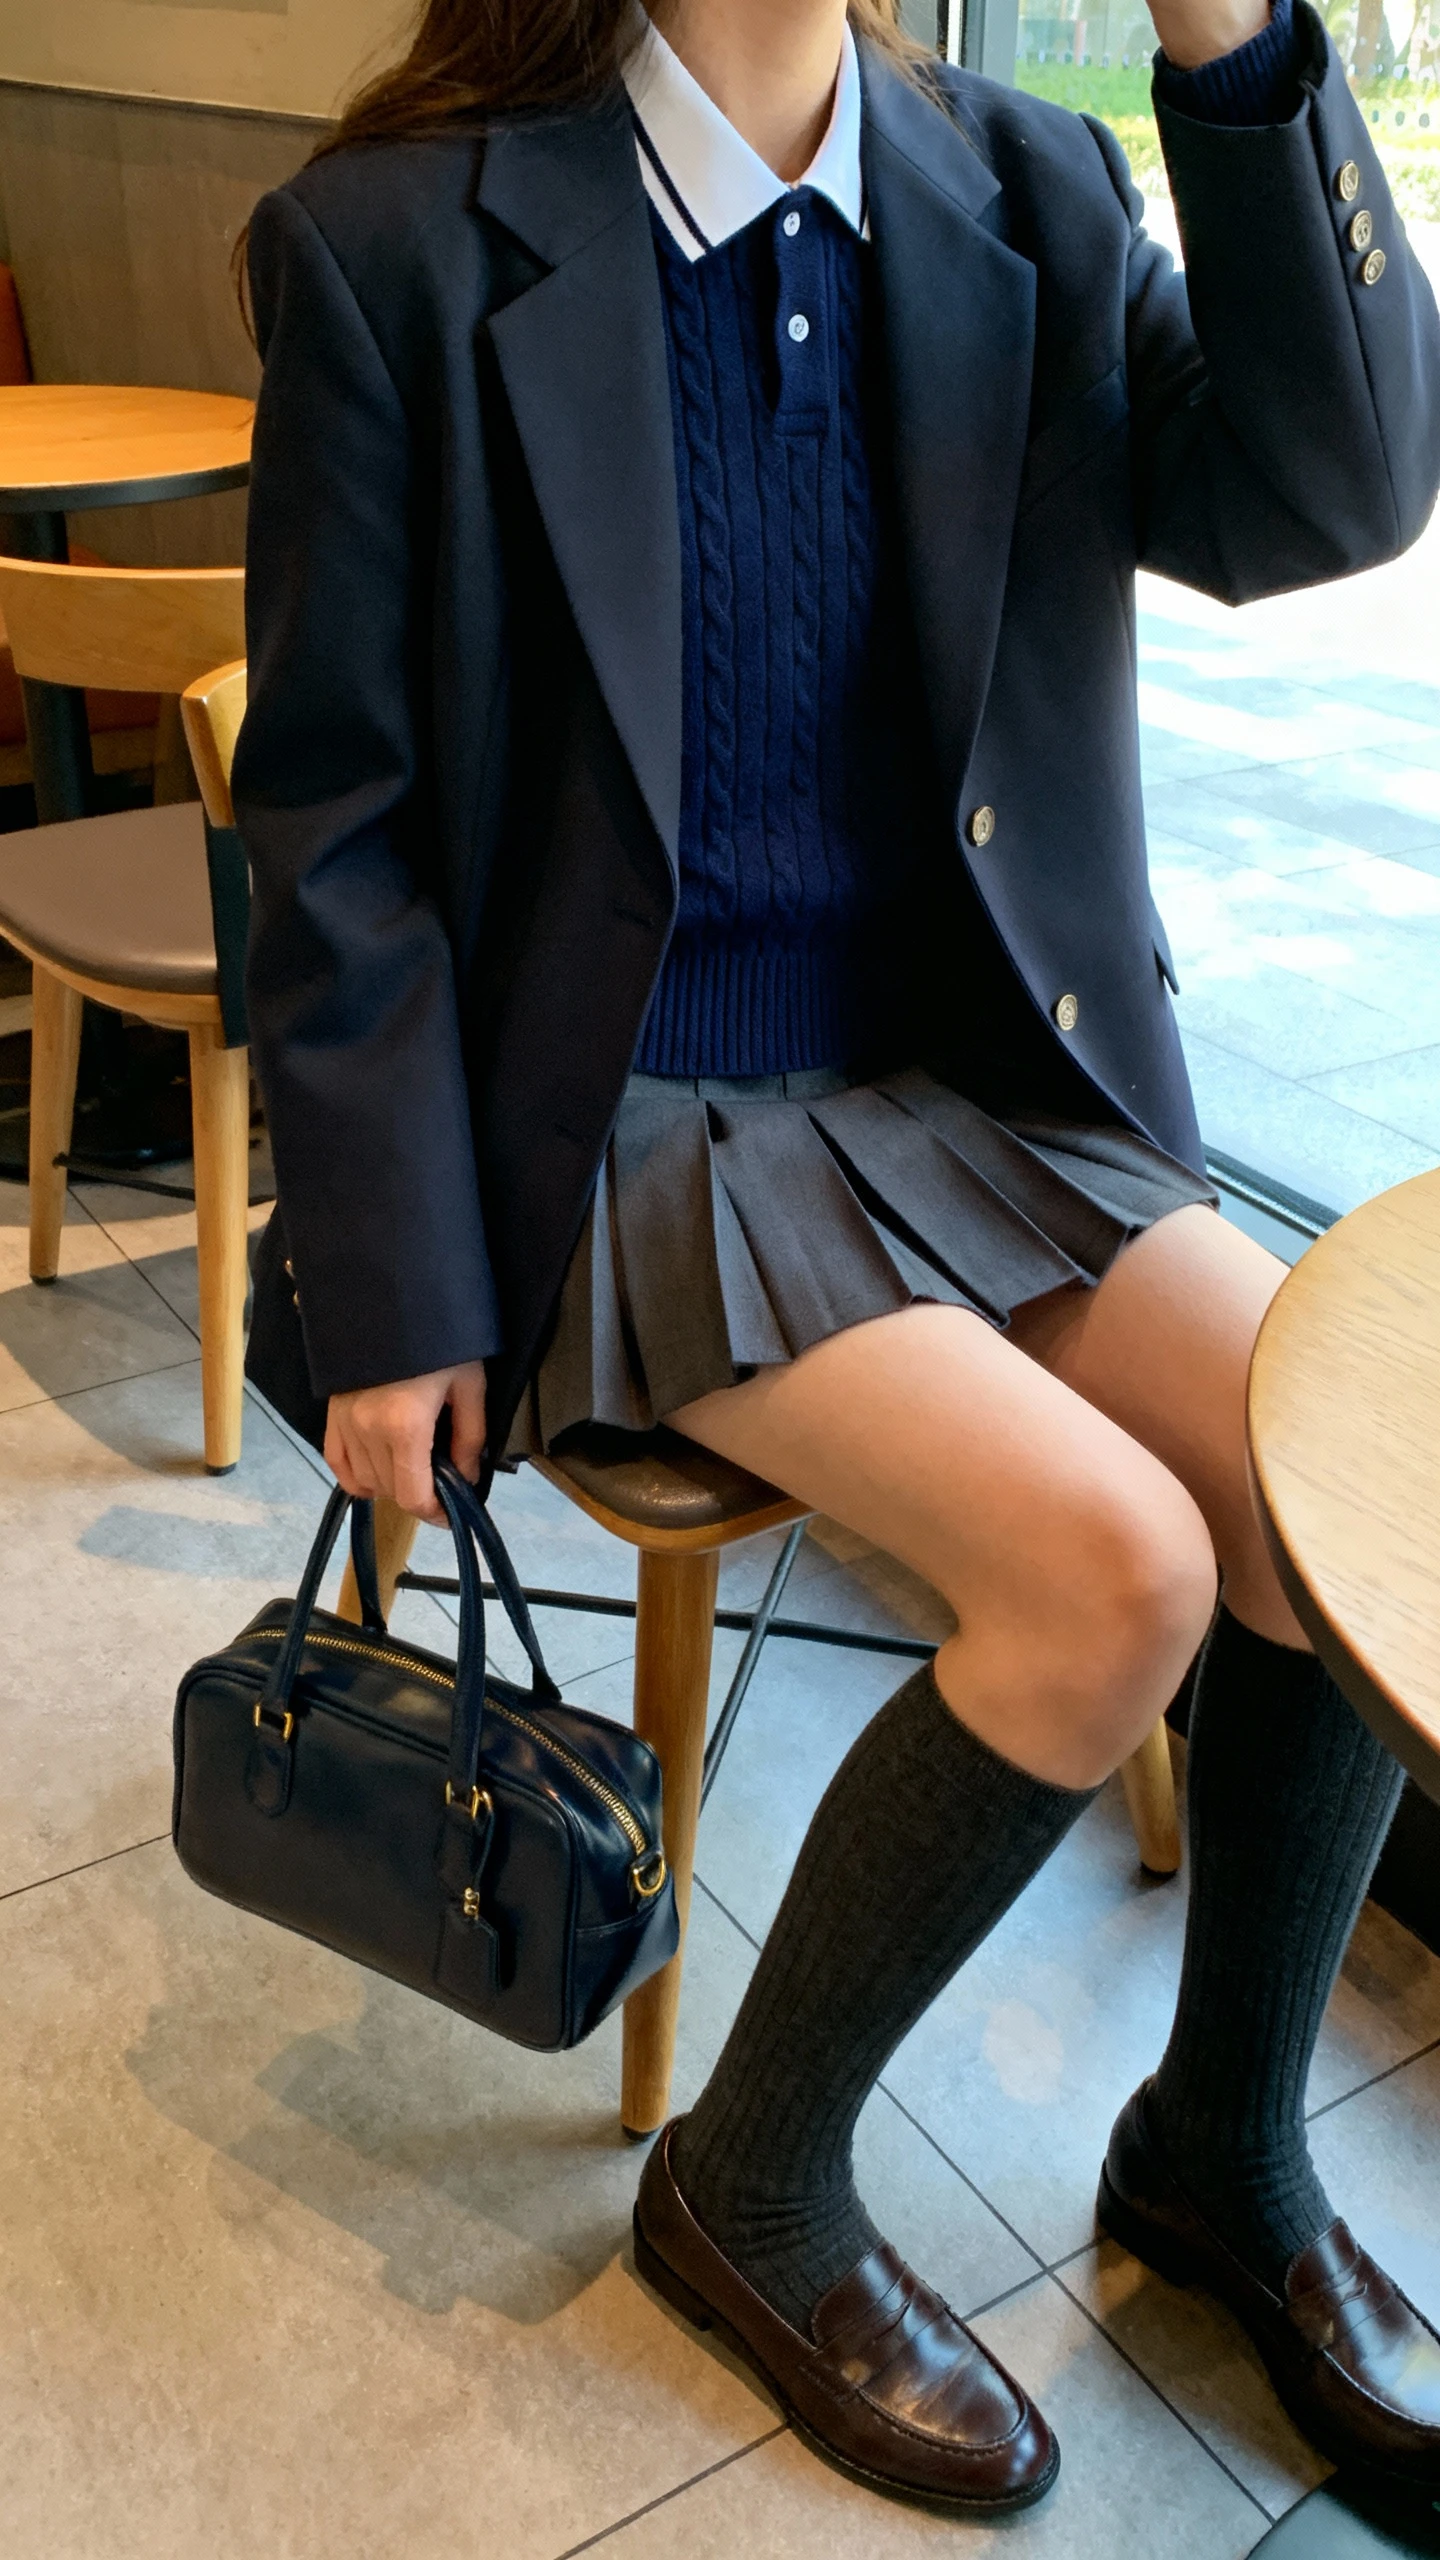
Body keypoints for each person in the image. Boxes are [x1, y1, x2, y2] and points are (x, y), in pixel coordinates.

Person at [235, 0, 1440, 2516]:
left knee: (1334, 1478)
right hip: (629, 1123)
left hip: (972, 1076)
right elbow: (333, 820)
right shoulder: (391, 244)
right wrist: (391, 1276)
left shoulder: (1029, 191)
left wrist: (1233, 46)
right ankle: (750, 2176)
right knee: (1117, 1573)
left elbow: (1338, 488)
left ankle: (1222, 2148)